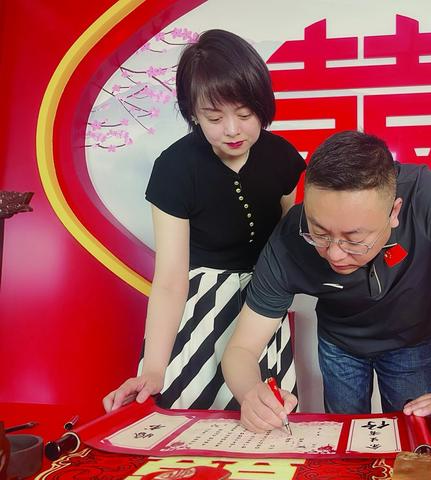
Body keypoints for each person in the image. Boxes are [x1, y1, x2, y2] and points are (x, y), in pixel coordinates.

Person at [221, 130, 431, 433]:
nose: (334, 253)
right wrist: (251, 394)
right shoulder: (288, 241)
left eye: (354, 239)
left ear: (394, 212)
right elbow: (240, 349)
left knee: (416, 439)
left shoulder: (424, 195)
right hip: (340, 344)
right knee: (343, 439)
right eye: (319, 233)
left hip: (411, 340)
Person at [102, 30, 306, 412]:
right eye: (214, 117)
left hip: (264, 303)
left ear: (263, 105)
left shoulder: (283, 158)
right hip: (200, 305)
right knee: (192, 413)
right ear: (193, 113)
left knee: (268, 416)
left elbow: (287, 247)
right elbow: (170, 279)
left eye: (244, 114)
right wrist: (155, 368)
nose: (232, 129)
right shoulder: (174, 168)